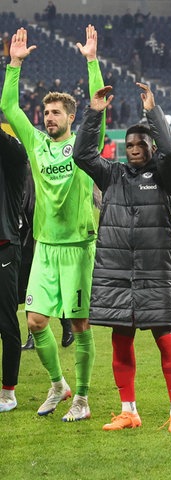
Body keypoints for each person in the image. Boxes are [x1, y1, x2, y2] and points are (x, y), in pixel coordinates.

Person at [0, 24, 106, 422]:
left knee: (79, 324)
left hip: (78, 246)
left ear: (71, 116)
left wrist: (92, 62)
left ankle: (82, 396)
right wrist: (14, 64)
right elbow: (9, 107)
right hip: (44, 245)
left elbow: (101, 104)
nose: (47, 117)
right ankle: (58, 384)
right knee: (35, 320)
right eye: (45, 112)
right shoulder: (36, 144)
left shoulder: (84, 144)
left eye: (55, 112)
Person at [73, 83, 171, 433]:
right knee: (120, 342)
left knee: (165, 340)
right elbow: (82, 155)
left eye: (142, 144)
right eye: (131, 145)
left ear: (152, 147)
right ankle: (128, 411)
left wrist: (153, 113)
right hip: (117, 272)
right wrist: (94, 114)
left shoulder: (168, 177)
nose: (135, 149)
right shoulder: (113, 175)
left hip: (155, 272)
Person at [19, 165, 74, 351]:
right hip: (28, 240)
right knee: (34, 288)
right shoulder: (26, 172)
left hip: (38, 241)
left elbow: (30, 209)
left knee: (39, 288)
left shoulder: (31, 173)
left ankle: (66, 327)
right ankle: (63, 329)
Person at [0, 126, 27, 412]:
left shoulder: (12, 165)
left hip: (4, 247)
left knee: (6, 322)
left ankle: (8, 392)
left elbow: (19, 154)